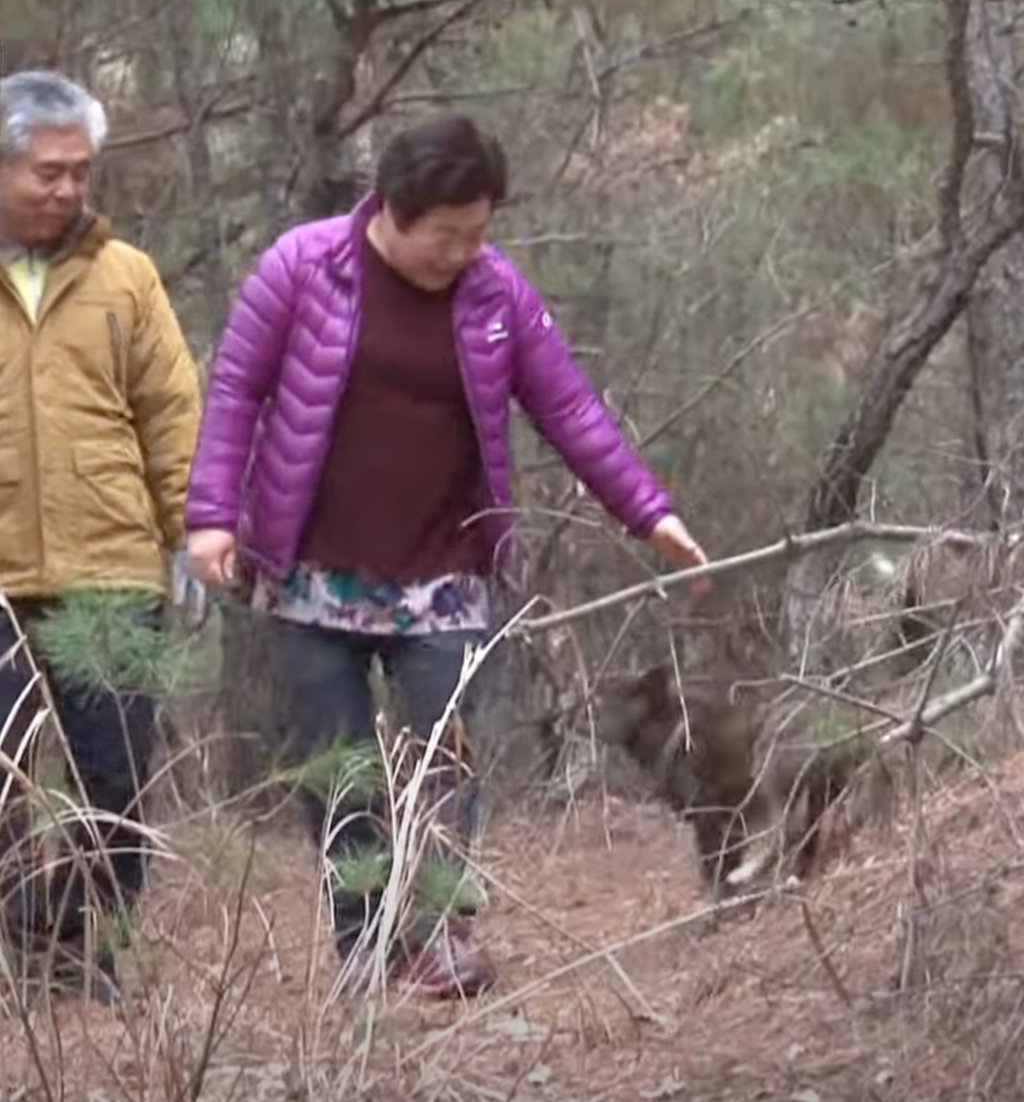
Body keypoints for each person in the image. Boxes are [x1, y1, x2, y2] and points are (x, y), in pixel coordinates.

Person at [185, 114, 708, 999]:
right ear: (393, 208)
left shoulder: (496, 294)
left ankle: (435, 935)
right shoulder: (302, 268)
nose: (462, 252)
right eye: (445, 234)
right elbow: (237, 389)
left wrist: (647, 511)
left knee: (447, 759)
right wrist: (211, 518)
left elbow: (571, 410)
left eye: (477, 233)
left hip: (445, 572)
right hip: (313, 571)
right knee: (341, 771)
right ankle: (365, 941)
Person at [0, 70, 201, 1004]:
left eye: (80, 171)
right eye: (48, 171)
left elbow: (171, 411)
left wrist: (192, 531)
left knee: (113, 780)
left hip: (110, 567)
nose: (68, 189)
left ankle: (79, 951)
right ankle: (15, 953)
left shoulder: (127, 277)